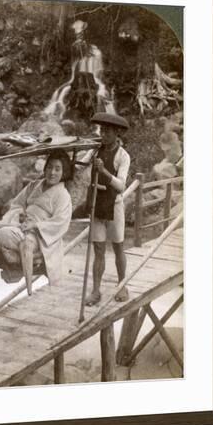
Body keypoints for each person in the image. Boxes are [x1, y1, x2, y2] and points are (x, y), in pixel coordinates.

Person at [0, 151, 73, 293]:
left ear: (64, 172)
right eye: (50, 167)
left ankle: (19, 268)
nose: (52, 172)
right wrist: (20, 214)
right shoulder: (34, 185)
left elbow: (61, 222)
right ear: (45, 168)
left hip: (40, 237)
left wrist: (36, 225)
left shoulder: (63, 196)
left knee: (3, 234)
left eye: (58, 169)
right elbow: (17, 204)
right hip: (21, 225)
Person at [84, 112, 131, 306]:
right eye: (102, 131)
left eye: (108, 132)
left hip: (114, 205)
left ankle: (122, 285)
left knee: (118, 246)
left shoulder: (123, 156)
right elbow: (81, 164)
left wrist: (103, 170)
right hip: (96, 202)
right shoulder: (96, 150)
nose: (103, 135)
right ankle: (95, 291)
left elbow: (121, 186)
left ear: (117, 133)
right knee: (98, 249)